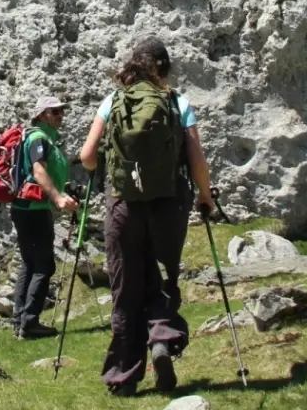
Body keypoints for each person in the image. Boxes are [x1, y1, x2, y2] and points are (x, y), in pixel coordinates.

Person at [80, 38, 214, 396]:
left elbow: (87, 156)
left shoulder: (113, 102)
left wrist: (112, 163)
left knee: (126, 289)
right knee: (164, 278)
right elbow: (196, 157)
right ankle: (161, 339)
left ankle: (124, 379)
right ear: (165, 69)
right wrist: (205, 196)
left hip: (123, 206)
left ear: (132, 65)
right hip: (169, 205)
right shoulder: (177, 103)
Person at [10, 95, 80, 339]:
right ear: (41, 115)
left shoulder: (44, 138)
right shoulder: (39, 138)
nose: (60, 116)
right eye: (54, 112)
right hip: (33, 210)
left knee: (30, 264)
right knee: (44, 266)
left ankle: (20, 321)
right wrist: (58, 198)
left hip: (25, 208)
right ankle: (29, 323)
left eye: (61, 111)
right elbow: (39, 170)